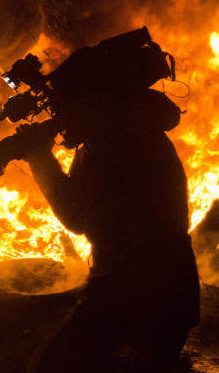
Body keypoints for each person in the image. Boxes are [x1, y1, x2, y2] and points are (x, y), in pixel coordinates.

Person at [22, 86, 199, 373]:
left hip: (134, 287)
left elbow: (75, 219)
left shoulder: (113, 148)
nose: (61, 123)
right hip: (170, 284)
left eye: (65, 112)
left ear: (92, 108)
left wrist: (39, 157)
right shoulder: (133, 136)